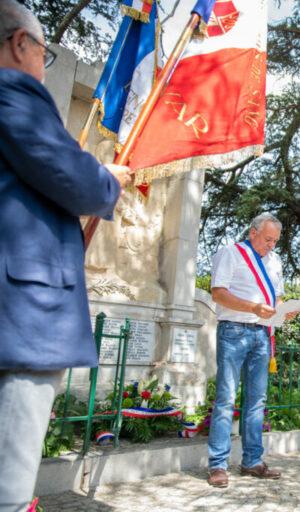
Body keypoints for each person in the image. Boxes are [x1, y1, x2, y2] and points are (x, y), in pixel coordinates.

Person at [0, 1, 131, 508]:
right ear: (20, 44)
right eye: (43, 53)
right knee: (9, 485)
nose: (41, 65)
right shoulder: (12, 91)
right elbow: (72, 179)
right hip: (22, 317)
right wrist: (107, 180)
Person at [207, 213, 298, 488]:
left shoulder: (275, 260)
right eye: (268, 239)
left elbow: (277, 295)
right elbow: (217, 293)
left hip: (263, 333)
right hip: (234, 330)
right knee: (225, 399)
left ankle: (252, 461)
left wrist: (285, 309)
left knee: (257, 401)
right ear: (253, 233)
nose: (271, 245)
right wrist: (253, 308)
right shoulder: (230, 254)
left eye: (275, 241)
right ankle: (218, 465)